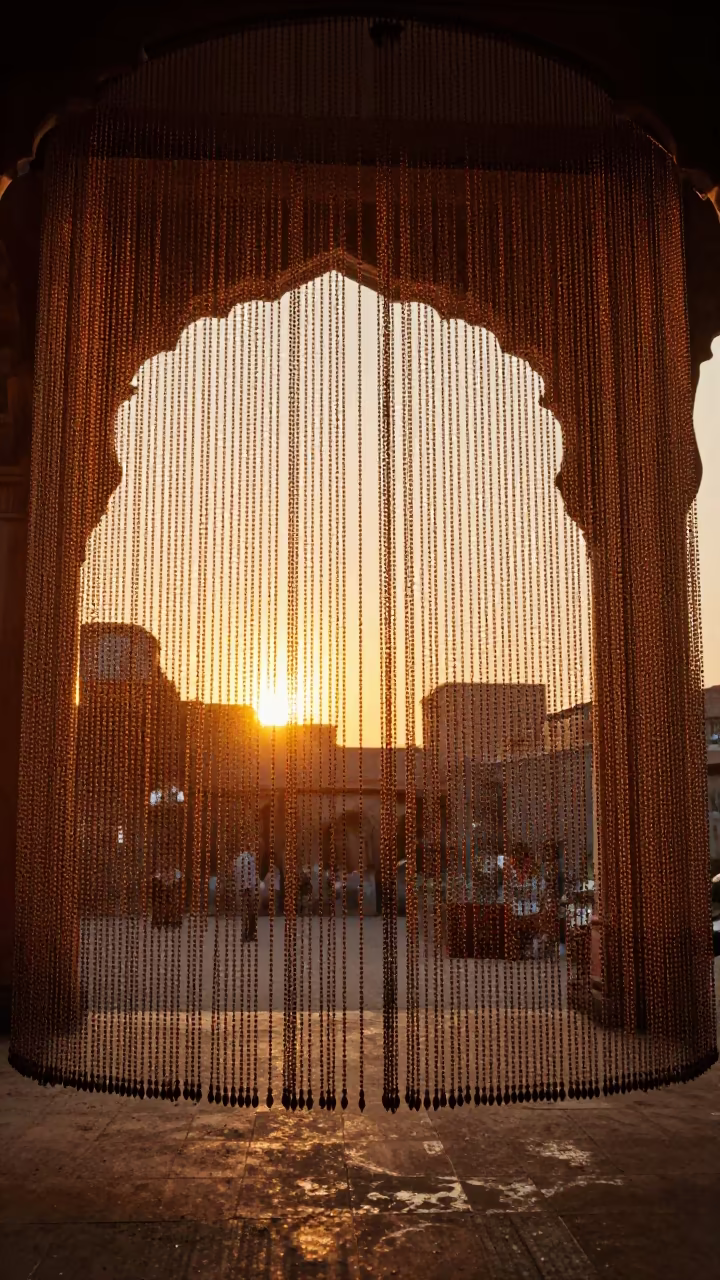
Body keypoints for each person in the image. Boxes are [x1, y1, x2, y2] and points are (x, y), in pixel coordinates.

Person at [234, 851, 257, 942]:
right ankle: (250, 934)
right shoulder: (251, 859)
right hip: (249, 888)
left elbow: (236, 875)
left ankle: (244, 934)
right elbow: (252, 875)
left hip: (242, 888)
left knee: (244, 912)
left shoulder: (238, 860)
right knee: (251, 911)